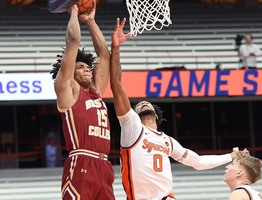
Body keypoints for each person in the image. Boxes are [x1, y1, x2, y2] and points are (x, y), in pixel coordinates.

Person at [110, 18, 247, 200]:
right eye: (137, 105)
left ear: (157, 115)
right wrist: (116, 49)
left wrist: (231, 155)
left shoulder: (168, 141)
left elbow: (198, 162)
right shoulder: (133, 128)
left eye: (146, 102)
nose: (142, 103)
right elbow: (117, 86)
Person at [50, 1, 115, 199]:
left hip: (104, 166)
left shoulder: (96, 92)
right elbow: (73, 41)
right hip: (81, 161)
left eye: (88, 67)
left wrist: (90, 21)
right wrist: (74, 11)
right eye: (80, 67)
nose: (87, 69)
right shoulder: (68, 89)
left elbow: (104, 56)